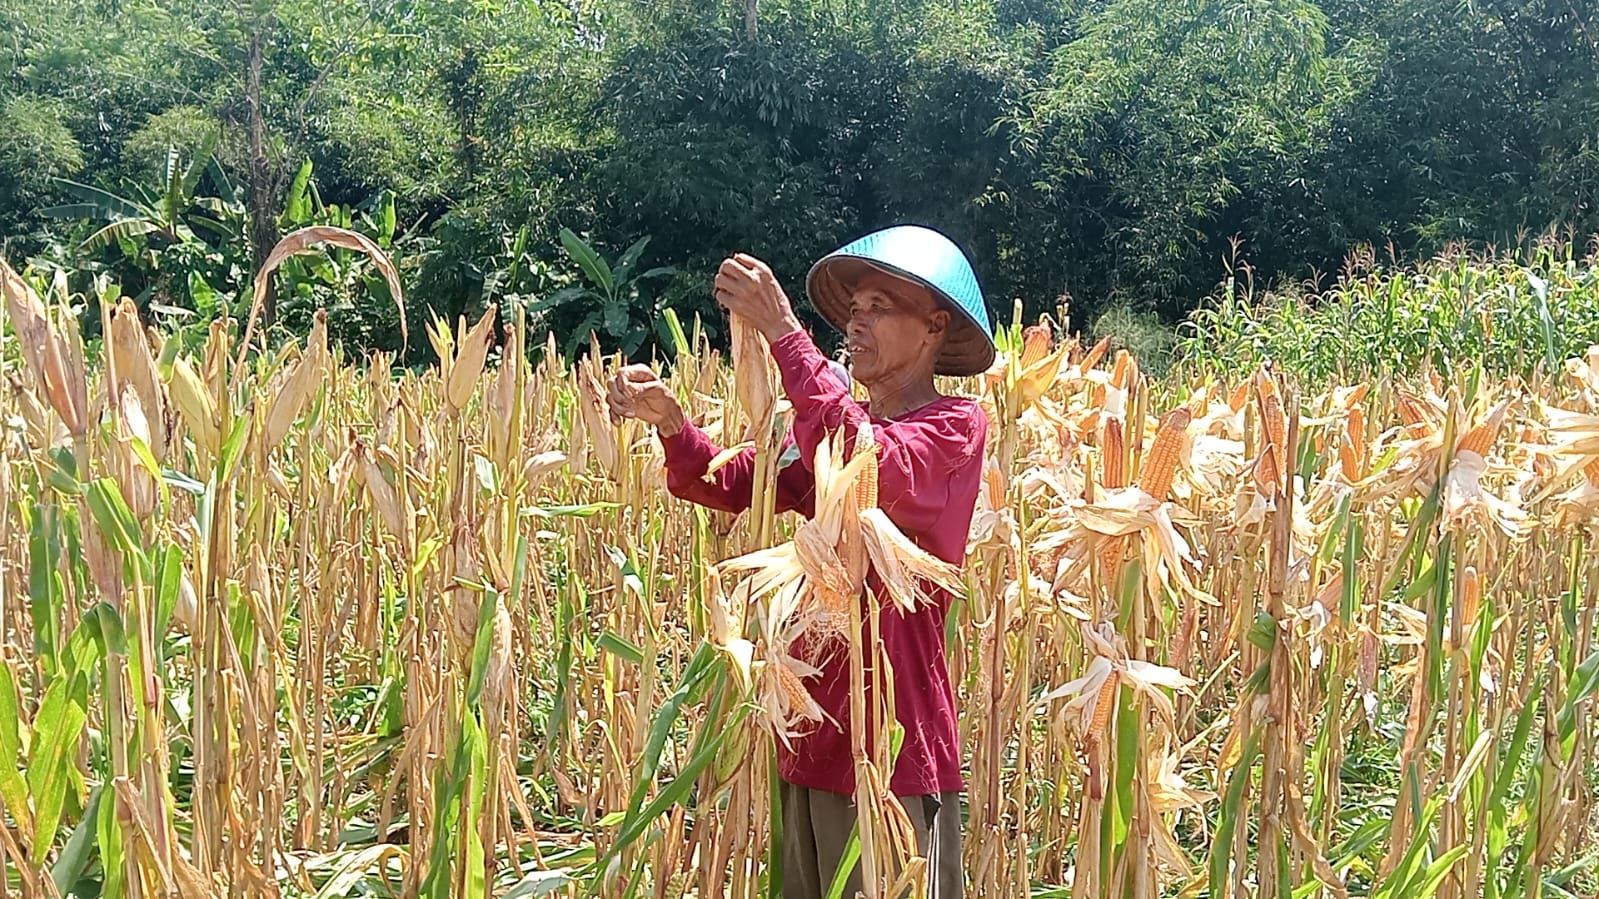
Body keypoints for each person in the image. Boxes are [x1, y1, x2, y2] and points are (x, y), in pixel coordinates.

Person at [607, 225, 995, 899]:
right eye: (853, 307)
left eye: (878, 305)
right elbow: (733, 484)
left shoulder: (953, 426)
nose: (856, 319)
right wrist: (671, 423)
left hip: (890, 748)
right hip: (811, 725)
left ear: (933, 326)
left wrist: (785, 333)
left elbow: (873, 463)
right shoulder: (827, 431)